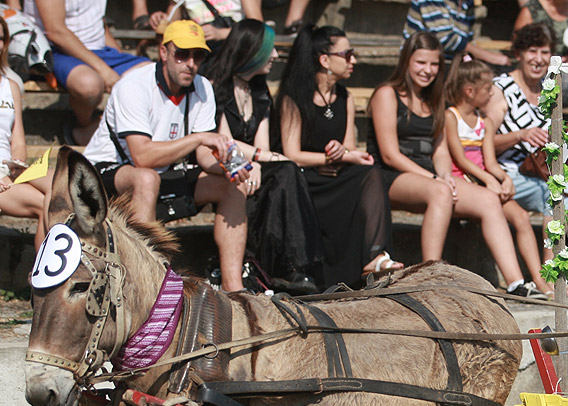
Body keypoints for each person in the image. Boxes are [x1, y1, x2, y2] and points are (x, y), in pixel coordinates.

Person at [367, 31, 545, 298]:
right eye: (421, 63)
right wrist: (436, 180)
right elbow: (390, 154)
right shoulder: (387, 94)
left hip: (428, 176)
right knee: (439, 191)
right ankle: (431, 276)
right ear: (406, 61)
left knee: (488, 199)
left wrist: (443, 174)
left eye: (434, 64)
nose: (428, 70)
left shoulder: (435, 99)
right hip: (390, 175)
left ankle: (515, 283)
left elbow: (440, 149)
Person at [83, 20, 250, 292]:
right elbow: (142, 157)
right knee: (147, 179)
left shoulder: (203, 87)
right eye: (182, 54)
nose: (191, 63)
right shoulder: (134, 86)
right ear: (163, 52)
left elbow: (204, 156)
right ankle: (145, 285)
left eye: (198, 56)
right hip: (106, 173)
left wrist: (232, 167)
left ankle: (234, 287)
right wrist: (198, 138)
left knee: (234, 186)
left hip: (164, 173)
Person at [487, 23, 568, 296]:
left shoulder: (550, 86)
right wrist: (519, 135)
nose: (538, 58)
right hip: (509, 170)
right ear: (518, 54)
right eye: (531, 51)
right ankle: (552, 274)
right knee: (558, 191)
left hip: (544, 169)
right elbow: (484, 141)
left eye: (544, 52)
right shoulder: (501, 89)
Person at [205, 19, 324, 294]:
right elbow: (223, 141)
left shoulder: (259, 90)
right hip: (225, 165)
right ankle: (291, 265)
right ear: (251, 50)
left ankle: (293, 266)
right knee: (285, 169)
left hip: (252, 165)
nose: (275, 56)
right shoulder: (216, 84)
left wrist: (262, 158)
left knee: (288, 171)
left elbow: (261, 139)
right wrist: (260, 158)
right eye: (269, 49)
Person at [276, 24, 397, 288]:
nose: (353, 60)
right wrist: (329, 159)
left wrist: (345, 154)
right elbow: (291, 154)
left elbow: (350, 147)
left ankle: (376, 254)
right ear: (324, 60)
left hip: (334, 176)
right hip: (305, 179)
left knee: (370, 174)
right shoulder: (293, 98)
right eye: (347, 54)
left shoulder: (345, 96)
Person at [446, 56, 551, 294]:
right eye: (487, 90)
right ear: (470, 91)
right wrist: (489, 180)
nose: (492, 94)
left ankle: (537, 279)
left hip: (485, 182)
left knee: (522, 217)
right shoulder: (451, 117)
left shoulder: (486, 123)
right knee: (509, 211)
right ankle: (517, 281)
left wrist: (503, 179)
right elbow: (461, 160)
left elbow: (490, 161)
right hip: (466, 180)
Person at [23, 0, 150, 144]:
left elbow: (95, 18)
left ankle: (109, 125)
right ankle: (84, 126)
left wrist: (116, 52)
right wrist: (105, 71)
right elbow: (55, 31)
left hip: (98, 50)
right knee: (89, 86)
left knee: (151, 75)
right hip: (55, 50)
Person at [0, 13, 47, 250]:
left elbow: (18, 138)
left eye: (0, 38)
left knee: (58, 190)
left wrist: (17, 166)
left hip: (8, 167)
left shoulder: (10, 85)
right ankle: (43, 281)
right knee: (46, 204)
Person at [404, 0, 508, 67]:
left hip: (448, 67)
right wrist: (492, 57)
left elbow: (467, 39)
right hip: (419, 67)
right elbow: (445, 38)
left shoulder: (467, 4)